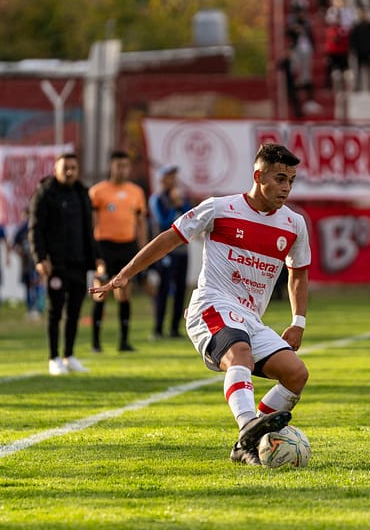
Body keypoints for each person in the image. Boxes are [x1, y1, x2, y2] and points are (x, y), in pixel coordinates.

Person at [90, 143, 311, 467]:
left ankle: (245, 442)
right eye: (280, 179)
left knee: (296, 375)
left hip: (250, 318)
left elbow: (298, 274)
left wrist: (298, 320)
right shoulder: (220, 209)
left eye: (291, 180)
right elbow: (170, 237)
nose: (286, 188)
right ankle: (249, 425)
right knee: (240, 355)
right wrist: (126, 274)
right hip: (212, 304)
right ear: (257, 175)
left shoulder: (293, 224)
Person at [30, 152, 99, 376]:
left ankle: (69, 355)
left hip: (78, 262)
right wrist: (40, 258)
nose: (69, 171)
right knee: (54, 310)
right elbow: (36, 229)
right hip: (55, 263)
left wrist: (95, 259)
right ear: (56, 169)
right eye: (65, 167)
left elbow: (88, 230)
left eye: (73, 167)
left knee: (75, 311)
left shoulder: (82, 193)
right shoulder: (45, 193)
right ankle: (53, 357)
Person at [89, 150, 147, 353]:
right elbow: (92, 223)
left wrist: (143, 247)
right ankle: (95, 343)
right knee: (100, 291)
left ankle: (124, 341)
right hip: (104, 247)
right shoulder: (98, 191)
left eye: (125, 165)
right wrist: (93, 252)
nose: (122, 169)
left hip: (127, 247)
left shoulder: (136, 192)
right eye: (118, 165)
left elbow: (141, 222)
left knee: (124, 293)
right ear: (111, 166)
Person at [148, 165, 194, 340]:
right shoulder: (157, 199)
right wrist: (176, 206)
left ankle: (174, 328)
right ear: (162, 179)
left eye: (174, 177)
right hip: (165, 252)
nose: (173, 180)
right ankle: (158, 328)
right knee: (164, 288)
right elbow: (164, 222)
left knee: (181, 289)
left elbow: (190, 218)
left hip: (182, 251)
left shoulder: (181, 198)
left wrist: (180, 204)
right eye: (170, 177)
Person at [13, 208, 42, 321]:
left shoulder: (36, 228)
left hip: (35, 262)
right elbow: (14, 244)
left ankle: (36, 308)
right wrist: (20, 253)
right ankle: (30, 309)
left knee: (35, 284)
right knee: (27, 287)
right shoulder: (20, 231)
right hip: (25, 263)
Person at [349, 7, 370, 93]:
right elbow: (353, 39)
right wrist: (353, 50)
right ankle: (358, 86)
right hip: (359, 52)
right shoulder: (356, 25)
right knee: (358, 70)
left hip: (368, 51)